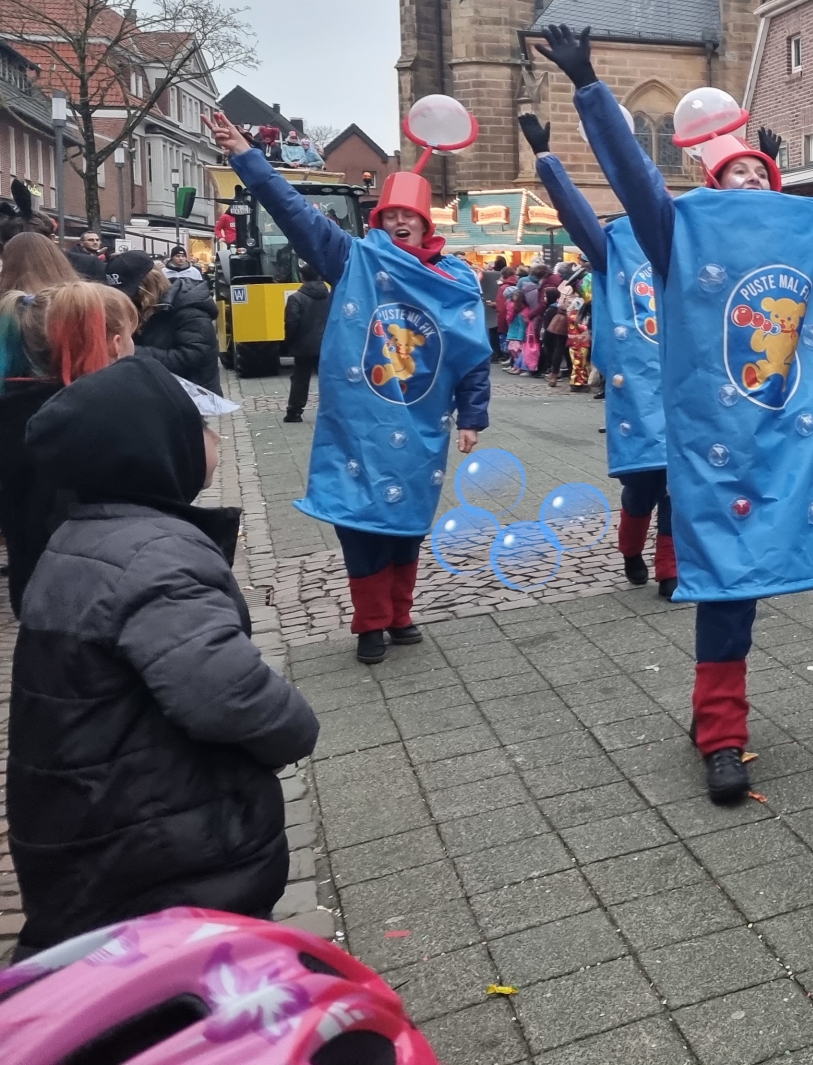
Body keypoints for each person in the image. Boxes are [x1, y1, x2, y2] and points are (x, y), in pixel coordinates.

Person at [540, 24, 813, 806]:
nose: (752, 181)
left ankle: (714, 717)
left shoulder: (805, 249)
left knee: (748, 588)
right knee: (723, 591)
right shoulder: (674, 236)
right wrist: (590, 85)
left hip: (781, 451)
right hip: (709, 451)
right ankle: (721, 732)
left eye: (763, 172)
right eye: (736, 172)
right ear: (711, 185)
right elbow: (631, 180)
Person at [10, 356, 319, 952]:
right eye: (201, 427)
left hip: (99, 822)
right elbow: (224, 691)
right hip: (161, 843)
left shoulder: (87, 535)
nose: (216, 439)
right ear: (154, 446)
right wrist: (294, 726)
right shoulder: (154, 556)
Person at [208, 107, 491, 665]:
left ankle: (401, 611)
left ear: (427, 222)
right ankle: (370, 622)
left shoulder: (454, 281)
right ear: (378, 221)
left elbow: (472, 354)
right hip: (359, 425)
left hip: (420, 425)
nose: (401, 222)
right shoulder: (352, 258)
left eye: (411, 215)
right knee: (358, 521)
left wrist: (473, 416)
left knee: (407, 522)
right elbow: (295, 215)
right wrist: (248, 158)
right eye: (391, 215)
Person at [522, 112, 678, 595]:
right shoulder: (616, 245)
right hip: (636, 389)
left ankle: (672, 569)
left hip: (685, 384)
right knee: (642, 489)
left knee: (680, 488)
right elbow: (575, 215)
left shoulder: (684, 237)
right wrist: (547, 160)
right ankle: (630, 547)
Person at [1, 281, 140, 612]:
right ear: (114, 344)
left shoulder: (16, 410)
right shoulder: (86, 421)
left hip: (35, 590)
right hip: (95, 597)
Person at [107, 251, 220, 393]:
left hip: (186, 395)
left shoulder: (188, 306)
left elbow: (194, 357)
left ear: (148, 284)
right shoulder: (140, 305)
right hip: (151, 389)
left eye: (131, 292)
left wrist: (129, 351)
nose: (126, 299)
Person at [282, 261, 330, 423]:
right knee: (327, 378)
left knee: (300, 380)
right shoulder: (330, 297)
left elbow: (291, 323)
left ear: (302, 277)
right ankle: (332, 410)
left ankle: (294, 412)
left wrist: (289, 342)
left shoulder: (296, 298)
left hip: (303, 346)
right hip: (326, 345)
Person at [481, 255, 504, 358]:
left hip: (491, 306)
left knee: (492, 331)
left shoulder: (487, 275)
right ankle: (501, 352)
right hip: (501, 307)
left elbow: (481, 273)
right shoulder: (506, 278)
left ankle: (496, 352)